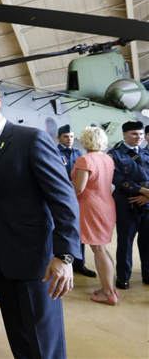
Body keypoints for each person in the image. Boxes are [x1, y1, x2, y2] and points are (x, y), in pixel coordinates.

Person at [0, 84, 80, 359]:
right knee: (19, 338)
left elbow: (64, 200)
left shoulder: (30, 139)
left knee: (44, 344)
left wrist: (64, 255)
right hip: (3, 263)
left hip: (36, 262)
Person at [71, 127, 117, 305]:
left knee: (98, 249)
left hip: (91, 206)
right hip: (106, 205)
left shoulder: (85, 159)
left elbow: (79, 188)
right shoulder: (107, 158)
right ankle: (110, 288)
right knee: (102, 248)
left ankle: (108, 293)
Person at [107, 121, 149, 290]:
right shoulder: (115, 154)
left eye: (140, 134)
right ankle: (123, 277)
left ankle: (147, 274)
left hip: (147, 205)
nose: (138, 137)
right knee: (125, 243)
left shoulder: (147, 153)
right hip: (126, 204)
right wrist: (143, 191)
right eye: (134, 134)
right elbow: (116, 178)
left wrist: (147, 197)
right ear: (124, 135)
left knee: (147, 242)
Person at [57, 124, 96, 278]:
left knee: (78, 232)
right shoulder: (53, 152)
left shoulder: (79, 154)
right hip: (60, 197)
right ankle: (61, 261)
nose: (69, 140)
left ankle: (79, 263)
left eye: (72, 137)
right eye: (66, 137)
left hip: (78, 198)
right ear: (59, 137)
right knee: (60, 230)